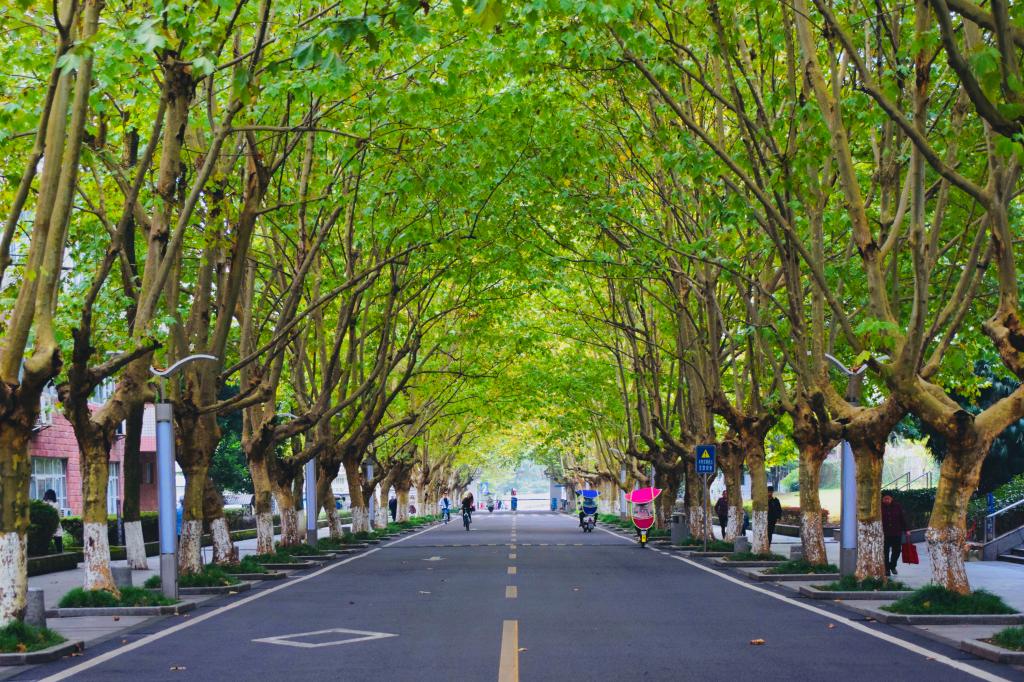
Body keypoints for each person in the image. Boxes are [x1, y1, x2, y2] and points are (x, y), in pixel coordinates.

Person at [882, 493, 909, 576]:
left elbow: (902, 518)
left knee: (897, 551)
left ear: (891, 499)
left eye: (888, 498)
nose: (886, 500)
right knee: (885, 552)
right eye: (885, 499)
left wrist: (906, 529)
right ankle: (886, 569)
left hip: (896, 533)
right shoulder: (879, 507)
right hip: (884, 533)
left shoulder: (897, 506)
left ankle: (892, 566)